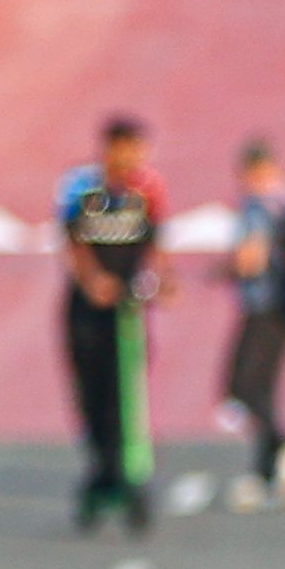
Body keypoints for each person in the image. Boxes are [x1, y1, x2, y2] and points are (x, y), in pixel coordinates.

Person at [57, 114, 164, 534]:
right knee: (91, 396)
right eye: (126, 148)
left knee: (128, 393)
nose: (133, 158)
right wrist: (92, 280)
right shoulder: (81, 187)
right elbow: (72, 241)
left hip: (129, 311)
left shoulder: (148, 189)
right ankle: (101, 469)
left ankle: (125, 474)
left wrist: (161, 283)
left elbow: (158, 244)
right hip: (87, 310)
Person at [217, 137, 285, 510]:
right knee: (262, 385)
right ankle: (267, 470)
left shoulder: (258, 206)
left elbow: (251, 259)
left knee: (242, 384)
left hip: (264, 306)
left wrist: (221, 271)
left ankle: (284, 445)